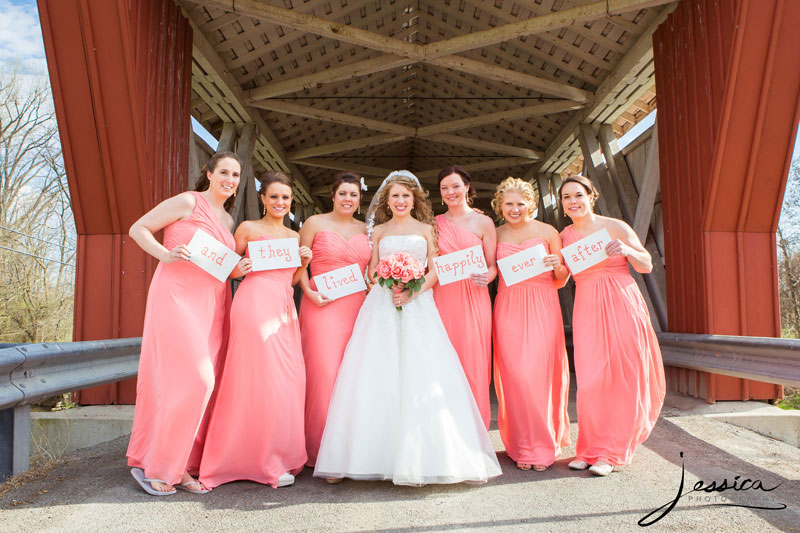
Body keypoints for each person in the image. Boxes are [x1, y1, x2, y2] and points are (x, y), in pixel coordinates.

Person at [314, 171, 502, 486]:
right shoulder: (379, 231)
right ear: (386, 201)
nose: (400, 201)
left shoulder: (427, 229)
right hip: (381, 305)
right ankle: (358, 455)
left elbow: (436, 268)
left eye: (406, 196)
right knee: (374, 373)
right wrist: (383, 278)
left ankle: (432, 455)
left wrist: (413, 289)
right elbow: (372, 268)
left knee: (423, 372)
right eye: (395, 196)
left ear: (414, 200)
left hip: (419, 304)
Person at [127, 151, 245, 496]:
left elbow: (224, 265)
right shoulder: (187, 201)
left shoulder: (227, 219)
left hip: (213, 303)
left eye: (236, 175)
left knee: (199, 386)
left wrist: (246, 267)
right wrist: (164, 254)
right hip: (176, 296)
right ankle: (157, 467)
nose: (230, 179)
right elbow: (139, 228)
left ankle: (180, 467)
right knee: (197, 380)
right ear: (209, 174)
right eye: (224, 172)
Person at [199, 171, 312, 488]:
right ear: (263, 198)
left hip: (284, 306)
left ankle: (276, 452)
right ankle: (257, 460)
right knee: (258, 377)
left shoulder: (294, 237)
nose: (280, 202)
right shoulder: (248, 229)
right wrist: (239, 268)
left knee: (286, 379)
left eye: (285, 198)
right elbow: (225, 265)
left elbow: (290, 279)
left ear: (291, 202)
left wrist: (304, 263)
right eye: (274, 196)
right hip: (253, 303)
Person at [559, 175, 665, 477]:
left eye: (578, 195)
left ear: (591, 196)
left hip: (620, 300)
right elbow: (564, 276)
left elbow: (646, 264)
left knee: (621, 374)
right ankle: (589, 449)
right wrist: (556, 264)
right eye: (566, 197)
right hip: (587, 305)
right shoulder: (565, 235)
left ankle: (613, 451)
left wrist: (627, 251)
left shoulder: (615, 226)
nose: (573, 201)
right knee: (592, 379)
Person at [491, 177, 571, 472]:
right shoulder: (495, 233)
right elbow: (487, 268)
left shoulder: (547, 231)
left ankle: (541, 445)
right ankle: (521, 443)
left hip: (542, 304)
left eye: (520, 203)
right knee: (515, 376)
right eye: (508, 203)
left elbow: (562, 278)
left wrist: (557, 265)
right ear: (500, 205)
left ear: (531, 204)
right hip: (508, 306)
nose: (515, 209)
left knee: (537, 374)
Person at [298, 171, 371, 468]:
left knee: (353, 375)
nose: (348, 199)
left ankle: (349, 448)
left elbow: (374, 267)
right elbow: (298, 263)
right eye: (343, 193)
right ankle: (320, 450)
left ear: (360, 199)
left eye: (353, 195)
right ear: (333, 195)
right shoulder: (315, 223)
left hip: (357, 307)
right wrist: (307, 292)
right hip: (321, 304)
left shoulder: (368, 229)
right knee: (324, 373)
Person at [433, 165, 496, 429]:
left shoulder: (484, 222)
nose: (451, 192)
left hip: (473, 298)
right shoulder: (434, 223)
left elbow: (493, 265)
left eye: (455, 186)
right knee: (442, 364)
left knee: (474, 364)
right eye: (445, 188)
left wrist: (488, 277)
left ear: (467, 187)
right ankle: (444, 432)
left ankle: (475, 431)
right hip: (442, 299)